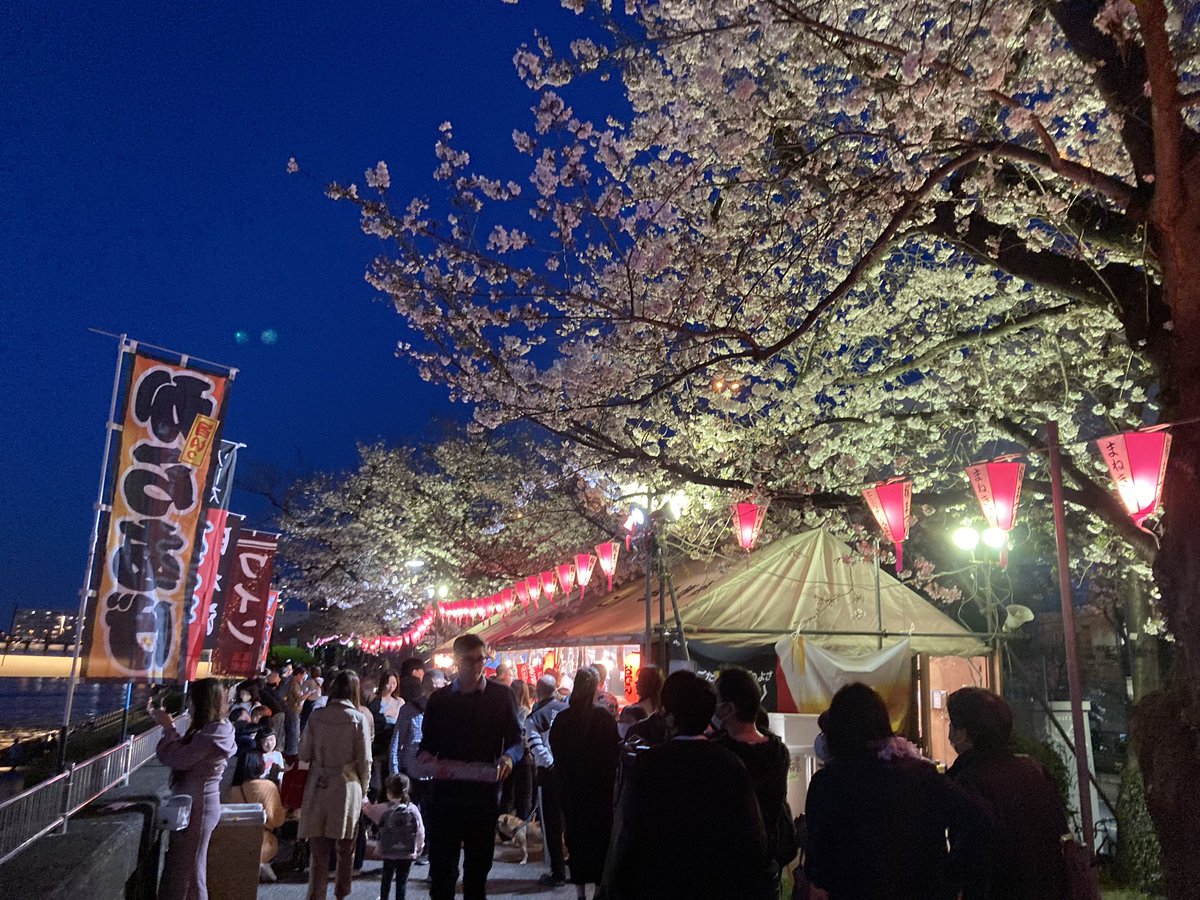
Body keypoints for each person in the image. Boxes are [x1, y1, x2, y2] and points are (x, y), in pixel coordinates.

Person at [804, 682, 991, 900]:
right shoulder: (923, 775)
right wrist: (948, 875)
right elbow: (980, 822)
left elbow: (819, 868)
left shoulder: (826, 784)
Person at [609, 670, 772, 900]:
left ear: (670, 716)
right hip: (716, 884)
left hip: (658, 883)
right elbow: (751, 838)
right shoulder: (730, 764)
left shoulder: (649, 764)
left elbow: (628, 832)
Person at [417, 634, 523, 900]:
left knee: (477, 874)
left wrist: (508, 757)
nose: (476, 666)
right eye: (469, 660)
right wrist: (426, 759)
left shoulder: (501, 696)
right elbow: (427, 745)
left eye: (481, 659)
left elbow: (516, 741)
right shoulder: (440, 700)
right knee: (442, 874)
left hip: (483, 795)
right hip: (446, 795)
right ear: (456, 661)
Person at [947, 687, 1069, 899]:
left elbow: (971, 856)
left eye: (952, 724)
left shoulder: (970, 780)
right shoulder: (1033, 769)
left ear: (963, 733)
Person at [151, 678, 237, 900]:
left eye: (192, 700)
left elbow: (178, 758)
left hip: (199, 807)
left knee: (189, 873)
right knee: (188, 869)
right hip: (200, 804)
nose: (188, 705)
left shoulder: (212, 733)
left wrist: (169, 728)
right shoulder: (216, 730)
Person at [299, 669, 372, 900]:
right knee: (345, 849)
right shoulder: (358, 718)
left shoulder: (316, 715)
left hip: (319, 783)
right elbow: (365, 760)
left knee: (319, 852)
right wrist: (365, 789)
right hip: (348, 786)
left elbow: (304, 753)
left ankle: (316, 894)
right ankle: (342, 892)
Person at [550, 667, 619, 899]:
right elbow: (613, 754)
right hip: (600, 789)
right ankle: (598, 890)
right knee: (600, 839)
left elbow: (557, 754)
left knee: (576, 838)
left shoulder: (563, 719)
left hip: (572, 789)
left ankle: (580, 891)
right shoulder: (604, 718)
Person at [527, 673, 569, 888]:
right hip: (571, 773)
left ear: (538, 690)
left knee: (551, 825)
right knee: (570, 819)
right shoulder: (568, 710)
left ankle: (557, 872)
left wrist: (550, 765)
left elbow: (536, 747)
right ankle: (576, 866)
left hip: (549, 775)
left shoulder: (535, 717)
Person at [363, 773, 426, 900]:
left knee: (386, 879)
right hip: (407, 852)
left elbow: (367, 809)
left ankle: (384, 897)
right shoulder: (413, 809)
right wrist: (419, 847)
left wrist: (363, 795)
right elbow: (420, 831)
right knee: (401, 882)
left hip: (388, 851)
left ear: (388, 792)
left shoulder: (384, 809)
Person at [505, 679, 536, 821]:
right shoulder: (525, 712)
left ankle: (505, 826)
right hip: (521, 755)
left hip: (509, 754)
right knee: (522, 793)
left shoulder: (511, 711)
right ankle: (519, 826)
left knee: (510, 792)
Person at [370, 669, 404, 794]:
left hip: (391, 741)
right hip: (377, 742)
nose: (391, 687)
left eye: (394, 684)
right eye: (389, 683)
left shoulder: (399, 702)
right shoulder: (375, 700)